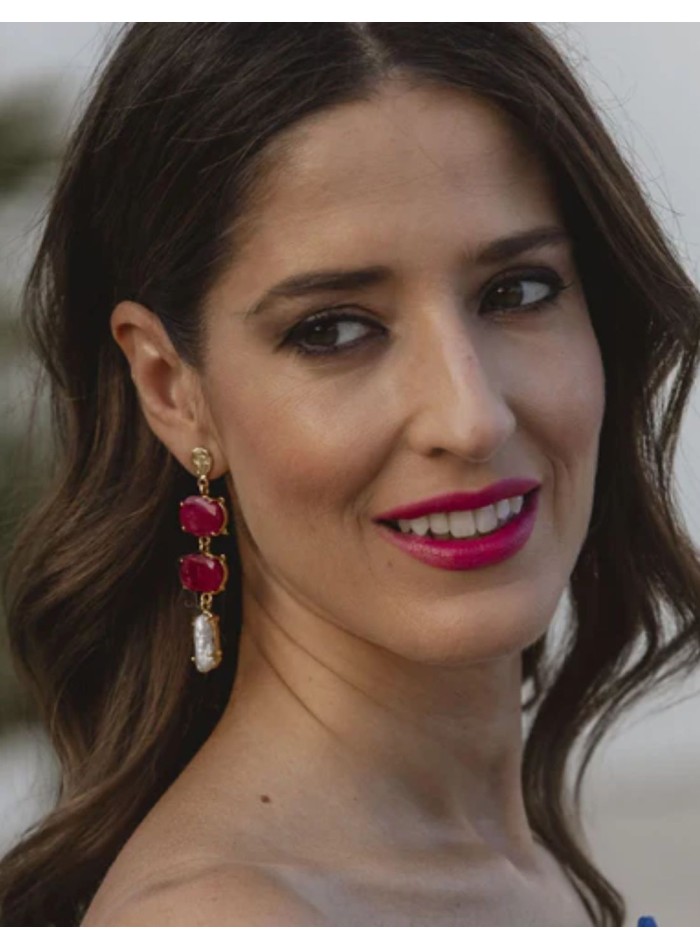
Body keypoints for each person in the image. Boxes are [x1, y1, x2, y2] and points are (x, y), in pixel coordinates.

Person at [0, 23, 697, 927]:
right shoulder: (227, 921)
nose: (470, 416)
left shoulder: (493, 862)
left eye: (517, 291)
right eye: (332, 328)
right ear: (173, 391)